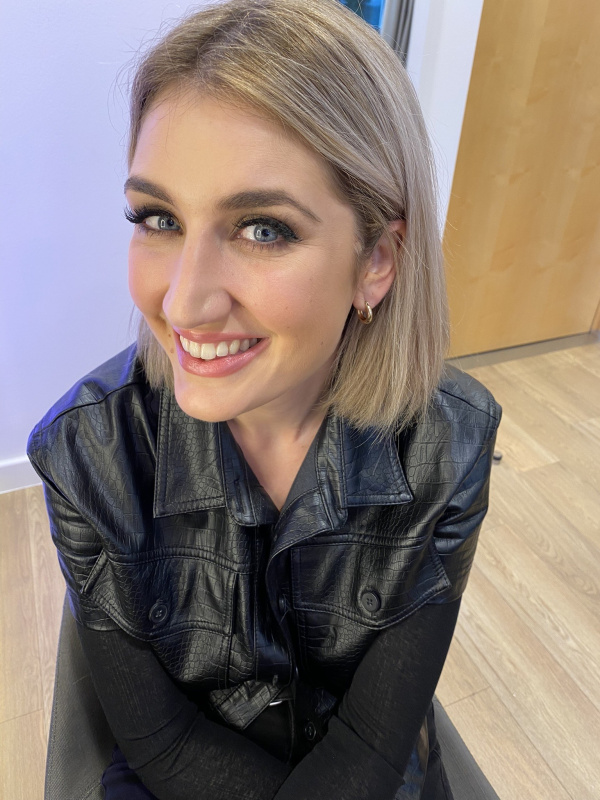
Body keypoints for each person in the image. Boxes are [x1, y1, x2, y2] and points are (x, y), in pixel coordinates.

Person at [27, 0, 501, 798]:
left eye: (263, 229)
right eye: (159, 217)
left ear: (376, 263)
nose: (183, 303)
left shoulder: (448, 444)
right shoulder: (87, 455)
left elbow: (374, 744)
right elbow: (164, 744)